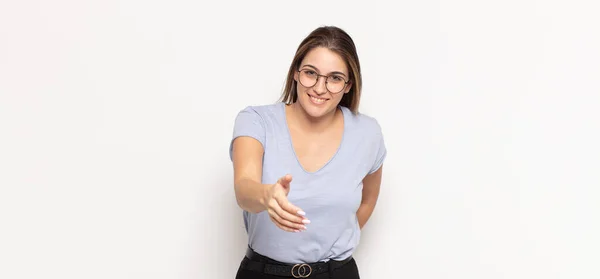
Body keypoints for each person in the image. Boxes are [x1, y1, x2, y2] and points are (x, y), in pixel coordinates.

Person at [229, 25, 386, 279]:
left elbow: (368, 200)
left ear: (348, 85)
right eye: (311, 73)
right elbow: (243, 189)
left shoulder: (367, 133)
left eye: (334, 78)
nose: (320, 88)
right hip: (263, 272)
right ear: (295, 73)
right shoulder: (256, 120)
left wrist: (338, 240)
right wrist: (266, 195)